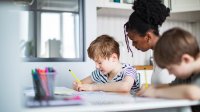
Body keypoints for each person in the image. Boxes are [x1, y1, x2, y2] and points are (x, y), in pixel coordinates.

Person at [137, 27, 200, 112]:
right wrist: (152, 87)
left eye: (170, 68)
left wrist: (155, 93)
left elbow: (193, 92)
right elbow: (173, 86)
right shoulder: (188, 71)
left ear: (186, 59)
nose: (170, 73)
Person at [124, 0, 175, 85]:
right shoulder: (157, 53)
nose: (133, 45)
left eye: (135, 41)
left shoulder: (171, 51)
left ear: (148, 37)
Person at [73, 35, 140, 95]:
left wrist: (93, 87)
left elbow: (125, 87)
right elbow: (80, 83)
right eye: (95, 62)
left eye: (99, 63)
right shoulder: (99, 73)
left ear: (113, 58)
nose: (96, 66)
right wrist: (78, 85)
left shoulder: (129, 70)